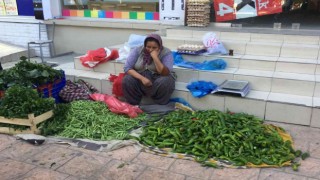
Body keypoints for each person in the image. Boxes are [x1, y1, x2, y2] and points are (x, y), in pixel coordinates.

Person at [122, 34, 175, 105]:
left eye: (154, 47)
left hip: (158, 78)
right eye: (148, 47)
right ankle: (134, 105)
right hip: (141, 78)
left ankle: (159, 105)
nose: (150, 50)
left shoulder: (166, 52)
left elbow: (165, 73)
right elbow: (127, 68)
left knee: (165, 81)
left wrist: (155, 57)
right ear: (145, 45)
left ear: (159, 46)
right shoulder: (138, 50)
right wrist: (142, 78)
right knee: (127, 79)